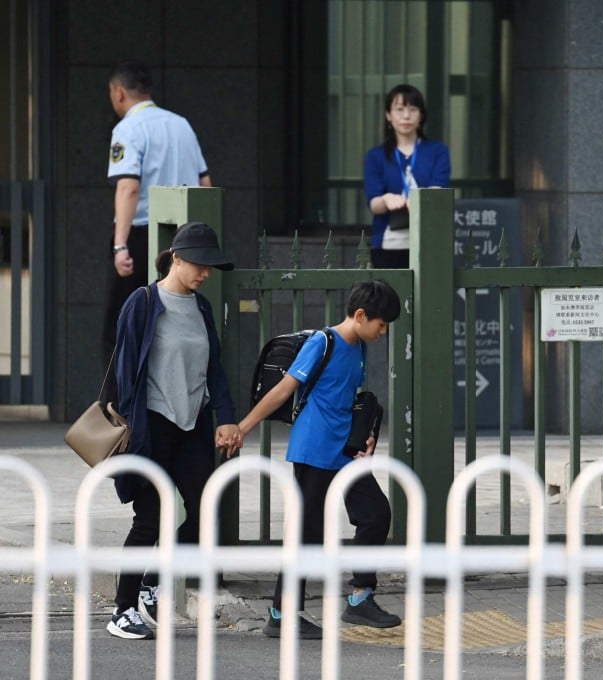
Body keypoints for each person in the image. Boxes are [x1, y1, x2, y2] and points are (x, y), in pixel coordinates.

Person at [237, 279, 403, 638]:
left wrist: (367, 434)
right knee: (307, 533)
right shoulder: (322, 342)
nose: (383, 331)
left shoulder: (359, 345)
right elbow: (283, 389)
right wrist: (243, 427)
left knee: (376, 514)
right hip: (314, 449)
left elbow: (347, 396)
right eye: (381, 323)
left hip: (345, 450)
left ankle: (360, 599)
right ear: (360, 315)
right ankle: (281, 615)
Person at [110, 222, 242, 639]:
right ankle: (122, 609)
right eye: (199, 265)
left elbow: (214, 368)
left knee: (200, 510)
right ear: (177, 258)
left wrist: (225, 415)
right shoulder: (143, 301)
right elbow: (123, 367)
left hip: (192, 424)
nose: (205, 273)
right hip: (152, 425)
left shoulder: (201, 308)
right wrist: (129, 425)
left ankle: (152, 581)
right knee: (150, 517)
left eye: (211, 267)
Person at [103, 60, 212, 404]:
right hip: (183, 240)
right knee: (171, 325)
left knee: (121, 328)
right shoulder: (182, 125)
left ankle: (119, 409)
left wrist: (120, 245)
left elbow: (128, 188)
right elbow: (205, 184)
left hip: (141, 235)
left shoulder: (128, 128)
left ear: (119, 92)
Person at [363, 84, 451, 269]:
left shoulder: (437, 151)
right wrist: (386, 199)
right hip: (388, 243)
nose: (406, 116)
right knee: (389, 296)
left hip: (429, 240)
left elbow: (438, 190)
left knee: (429, 296)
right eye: (399, 109)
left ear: (421, 116)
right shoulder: (376, 156)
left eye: (412, 109)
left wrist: (420, 201)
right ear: (388, 115)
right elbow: (374, 204)